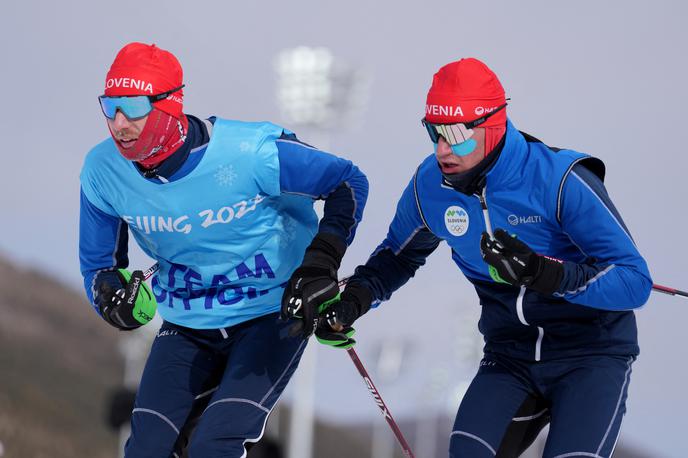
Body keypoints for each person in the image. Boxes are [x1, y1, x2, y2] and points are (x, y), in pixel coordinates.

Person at [317, 58, 652, 457]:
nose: (443, 149)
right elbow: (396, 257)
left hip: (591, 355)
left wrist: (545, 274)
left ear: (492, 125)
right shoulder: (431, 186)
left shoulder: (559, 180)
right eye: (434, 131)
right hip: (510, 356)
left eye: (456, 134)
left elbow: (634, 281)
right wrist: (352, 302)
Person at [79, 42, 368, 458]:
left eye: (133, 108)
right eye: (110, 107)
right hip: (187, 321)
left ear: (169, 105)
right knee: (147, 448)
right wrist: (109, 297)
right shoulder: (103, 170)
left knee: (213, 446)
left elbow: (347, 182)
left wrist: (322, 261)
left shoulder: (250, 153)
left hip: (270, 315)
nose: (119, 123)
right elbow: (98, 267)